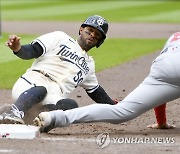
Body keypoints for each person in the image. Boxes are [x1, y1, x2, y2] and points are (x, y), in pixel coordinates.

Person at [34, 32, 180, 133]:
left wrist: (161, 122)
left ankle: (55, 118)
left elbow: (164, 86)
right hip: (168, 69)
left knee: (121, 112)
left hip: (162, 68)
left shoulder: (174, 36)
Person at [0, 15, 118, 124]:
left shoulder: (89, 64)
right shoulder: (60, 37)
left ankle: (33, 116)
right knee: (41, 89)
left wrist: (114, 107)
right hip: (33, 82)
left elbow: (96, 91)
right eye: (90, 30)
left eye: (97, 34)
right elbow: (33, 50)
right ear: (81, 29)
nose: (92, 35)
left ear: (99, 41)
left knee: (71, 106)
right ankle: (14, 112)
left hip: (55, 95)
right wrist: (18, 49)